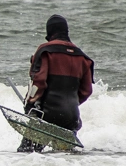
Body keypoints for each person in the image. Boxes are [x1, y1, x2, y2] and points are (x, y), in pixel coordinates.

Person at [19, 14, 95, 152]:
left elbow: (38, 82)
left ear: (49, 31)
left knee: (27, 153)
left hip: (46, 115)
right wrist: (69, 106)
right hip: (72, 117)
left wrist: (29, 104)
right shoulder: (83, 57)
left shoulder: (45, 51)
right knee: (66, 160)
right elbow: (86, 91)